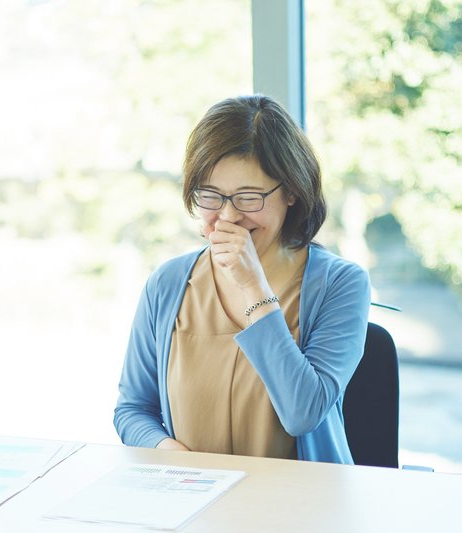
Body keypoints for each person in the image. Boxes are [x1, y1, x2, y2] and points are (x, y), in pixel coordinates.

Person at [113, 94, 370, 464]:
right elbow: (133, 409)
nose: (229, 217)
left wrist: (253, 286)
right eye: (212, 197)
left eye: (249, 198)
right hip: (193, 500)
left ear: (292, 192)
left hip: (299, 508)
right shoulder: (167, 284)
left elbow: (303, 414)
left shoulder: (342, 285)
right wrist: (173, 457)